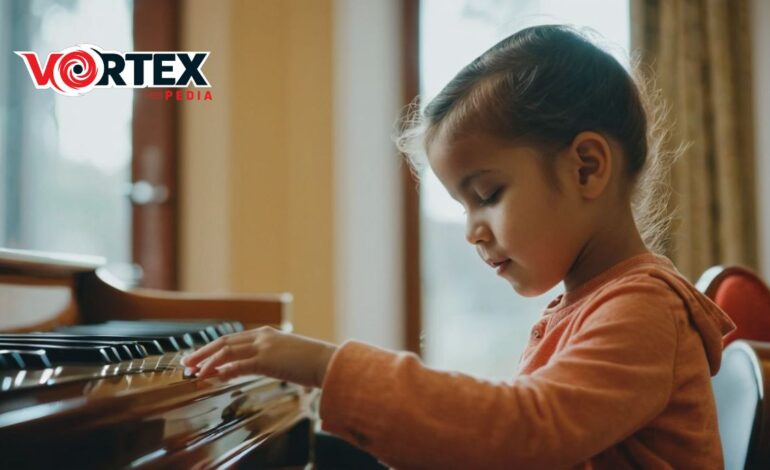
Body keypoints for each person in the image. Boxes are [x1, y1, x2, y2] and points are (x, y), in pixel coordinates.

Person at [182, 25, 736, 469]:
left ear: (586, 167)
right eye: (463, 206)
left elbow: (528, 429)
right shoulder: (594, 303)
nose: (473, 229)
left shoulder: (645, 309)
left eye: (487, 194)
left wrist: (328, 365)